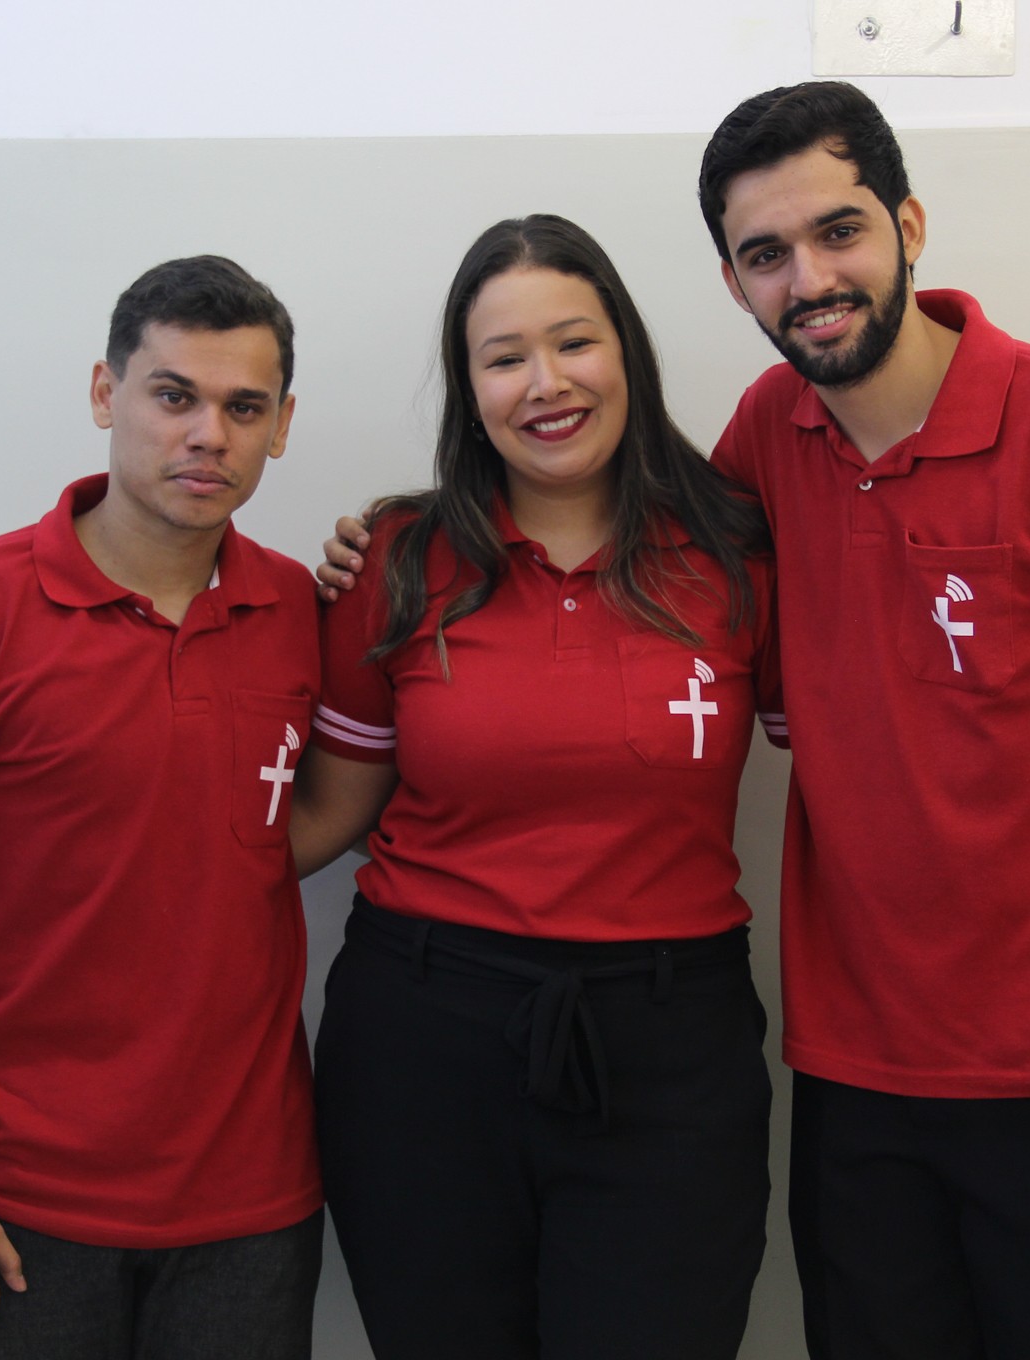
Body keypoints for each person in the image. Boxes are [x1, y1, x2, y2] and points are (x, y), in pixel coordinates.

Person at [322, 84, 1030, 1360]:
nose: (809, 279)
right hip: (851, 1073)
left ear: (908, 225)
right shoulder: (765, 447)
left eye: (839, 231)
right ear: (732, 282)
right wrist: (372, 548)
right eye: (767, 253)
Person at [287, 214, 782, 1360]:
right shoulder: (396, 559)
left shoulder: (741, 555)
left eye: (574, 342)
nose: (546, 383)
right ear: (470, 391)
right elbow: (334, 813)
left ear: (627, 352)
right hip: (423, 1041)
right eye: (505, 358)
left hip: (674, 1046)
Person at [0, 256, 324, 1359]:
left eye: (244, 407)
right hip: (14, 1207)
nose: (208, 434)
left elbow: (326, 806)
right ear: (106, 394)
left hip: (251, 1206)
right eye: (173, 395)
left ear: (283, 425)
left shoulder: (300, 607)